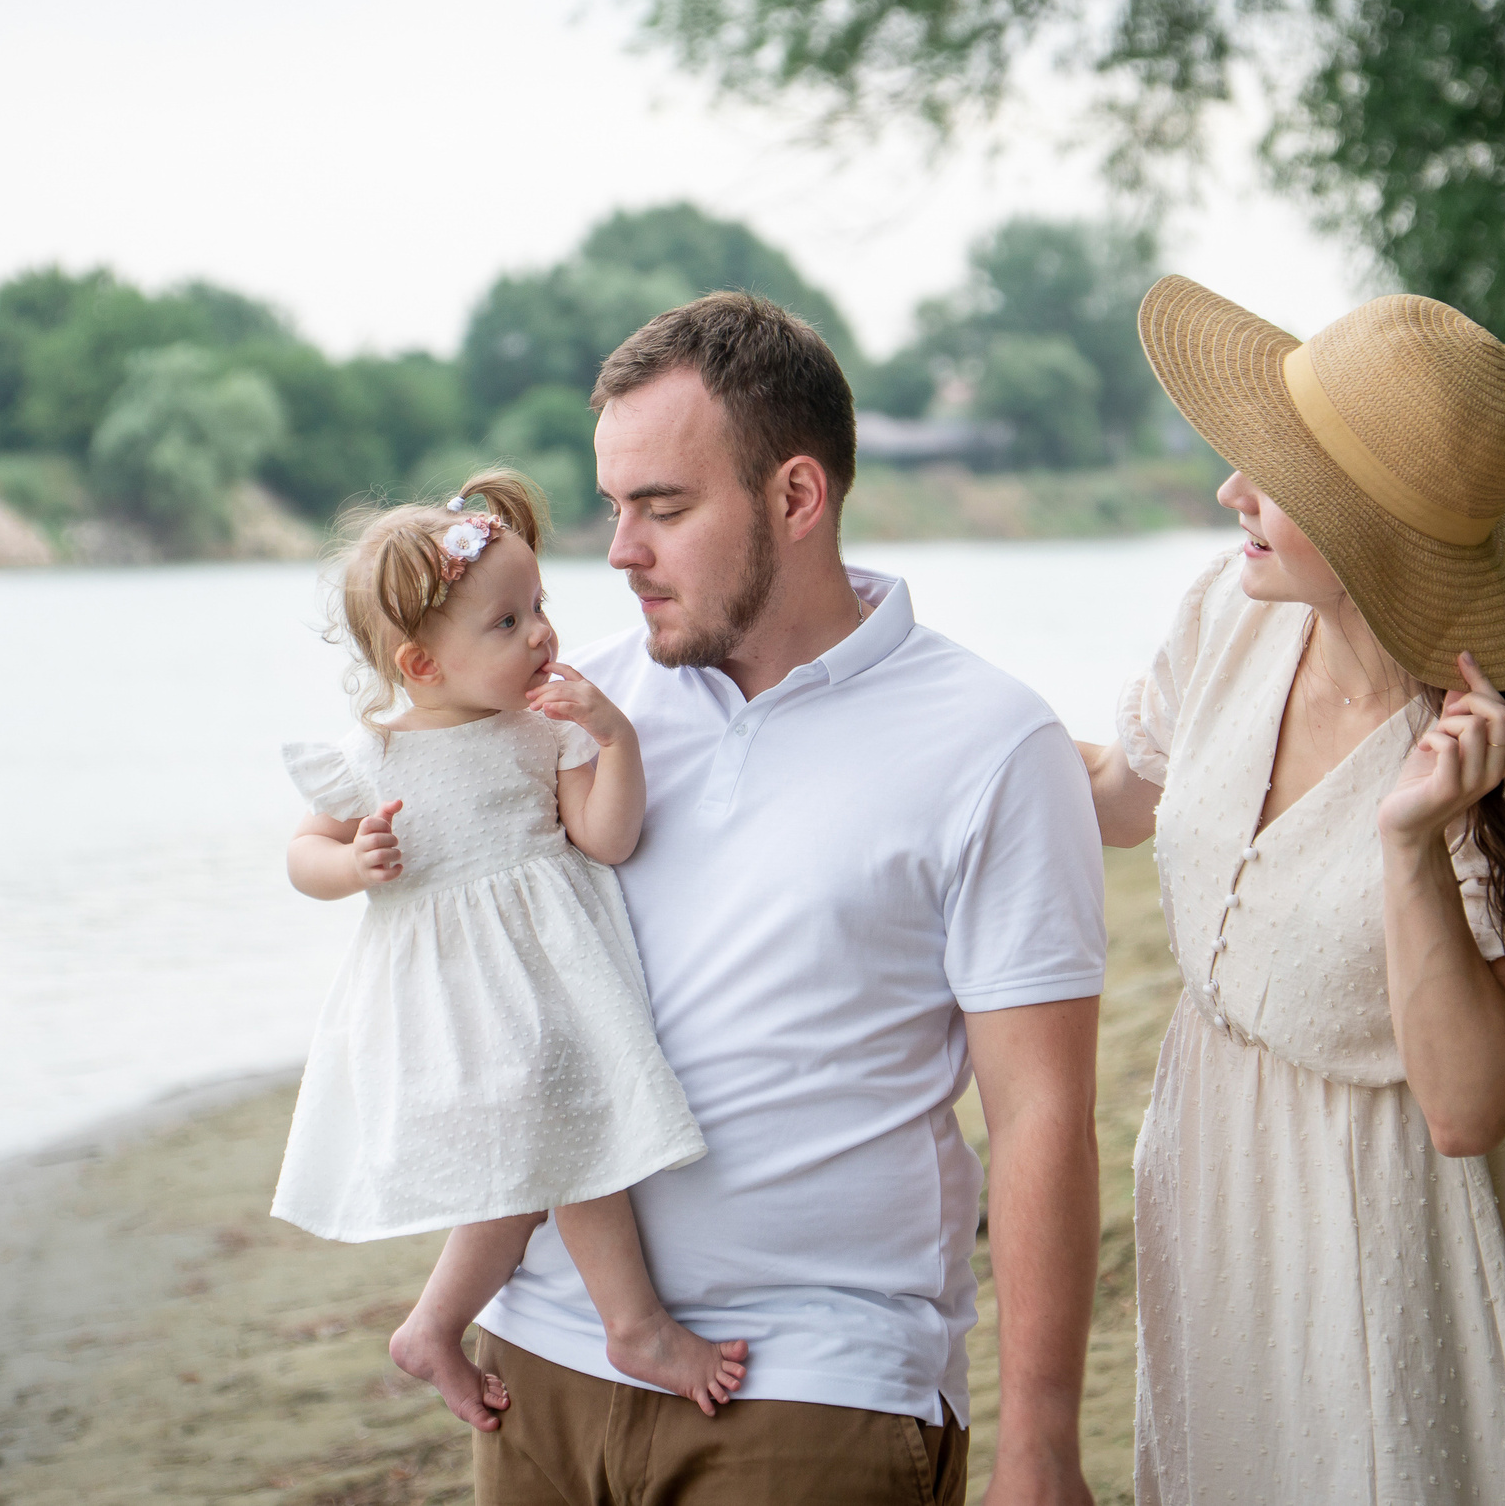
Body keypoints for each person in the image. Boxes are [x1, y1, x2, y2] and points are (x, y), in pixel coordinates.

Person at [472, 293, 1108, 1506]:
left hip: (817, 1379)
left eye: (662, 508)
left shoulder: (990, 743)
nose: (620, 552)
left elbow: (1040, 1116)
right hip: (543, 1355)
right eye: (614, 508)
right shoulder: (566, 714)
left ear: (796, 499)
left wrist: (1038, 1448)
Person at [1076, 278, 1505, 1504]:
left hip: (1386, 1212)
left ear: (1368, 530)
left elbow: (1466, 1106)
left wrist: (1410, 845)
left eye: (1273, 476)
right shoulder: (1226, 617)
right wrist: (899, 693)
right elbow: (1116, 800)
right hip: (1211, 1165)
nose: (1229, 491)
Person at [278, 470, 748, 1430]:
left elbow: (606, 838)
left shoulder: (545, 731)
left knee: (562, 1147)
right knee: (547, 1148)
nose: (541, 632)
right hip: (453, 1005)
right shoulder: (375, 757)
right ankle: (602, 1323)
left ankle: (490, 1325)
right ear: (420, 665)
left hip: (550, 992)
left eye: (539, 606)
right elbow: (302, 854)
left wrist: (613, 738)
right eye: (506, 623)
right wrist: (354, 864)